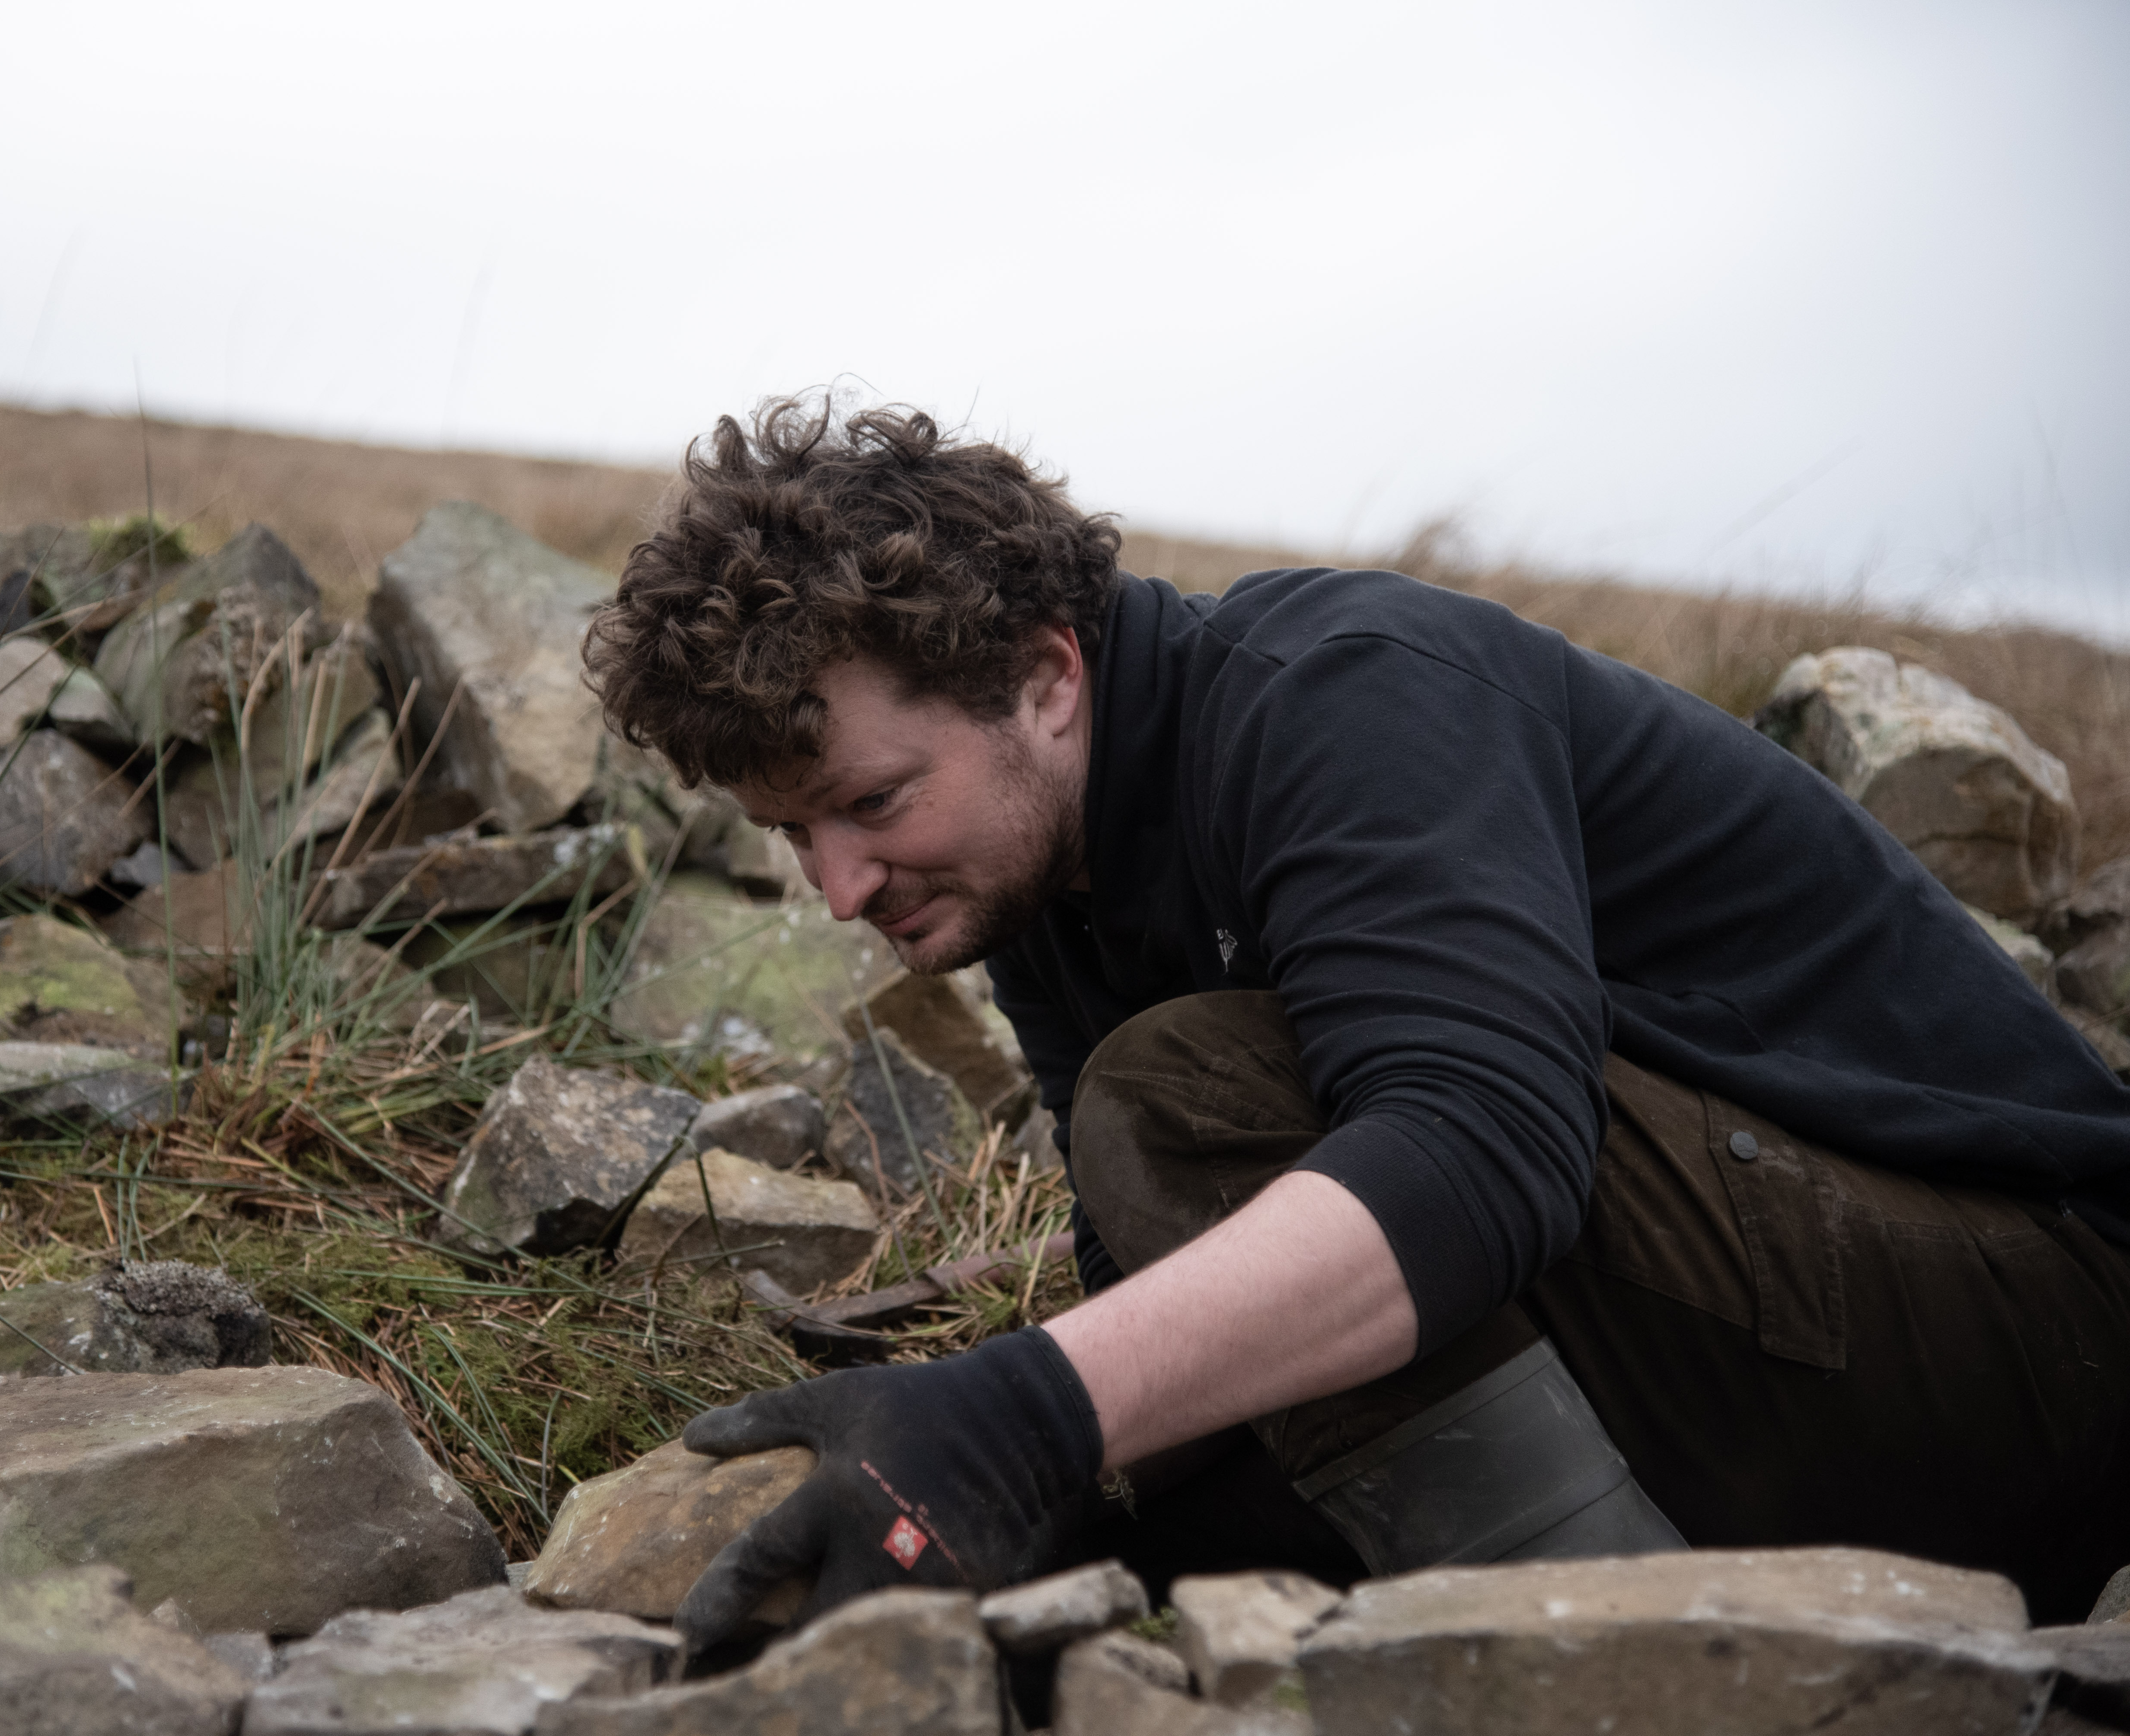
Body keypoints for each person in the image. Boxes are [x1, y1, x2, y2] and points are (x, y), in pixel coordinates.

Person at [579, 398, 2130, 1639]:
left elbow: (1481, 1154)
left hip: (2046, 1334)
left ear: (1046, 680)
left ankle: (1624, 1669)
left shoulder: (1346, 694)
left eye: (871, 803)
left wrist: (1019, 1414)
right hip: (1762, 1346)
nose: (841, 889)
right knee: (1152, 1516)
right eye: (794, 836)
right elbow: (1161, 1291)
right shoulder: (1039, 872)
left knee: (1183, 1092)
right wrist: (1008, 1506)